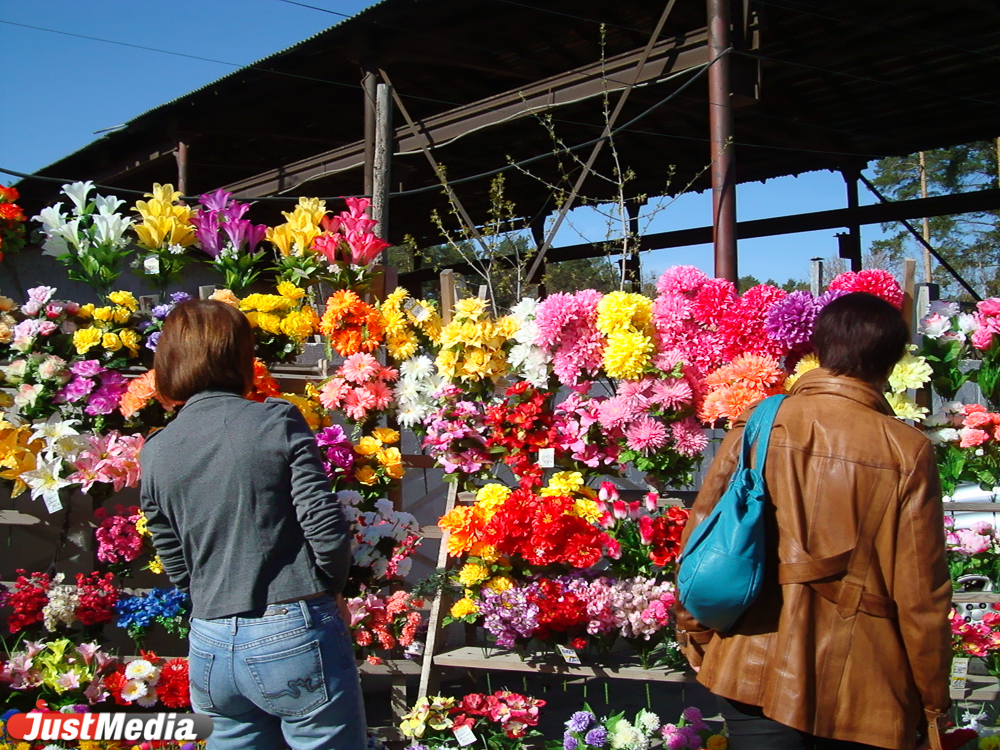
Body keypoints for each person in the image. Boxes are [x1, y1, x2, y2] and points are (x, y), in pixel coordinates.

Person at [675, 292, 952, 750]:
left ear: (820, 348)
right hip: (861, 687)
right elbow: (922, 594)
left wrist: (696, 633)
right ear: (890, 361)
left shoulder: (762, 420)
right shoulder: (907, 449)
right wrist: (933, 702)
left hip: (750, 665)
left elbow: (702, 534)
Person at [140, 299, 365, 750]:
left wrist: (206, 593)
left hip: (209, 639)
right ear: (240, 357)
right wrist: (330, 590)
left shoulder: (155, 450)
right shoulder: (275, 419)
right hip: (291, 622)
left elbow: (171, 553)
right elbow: (322, 523)